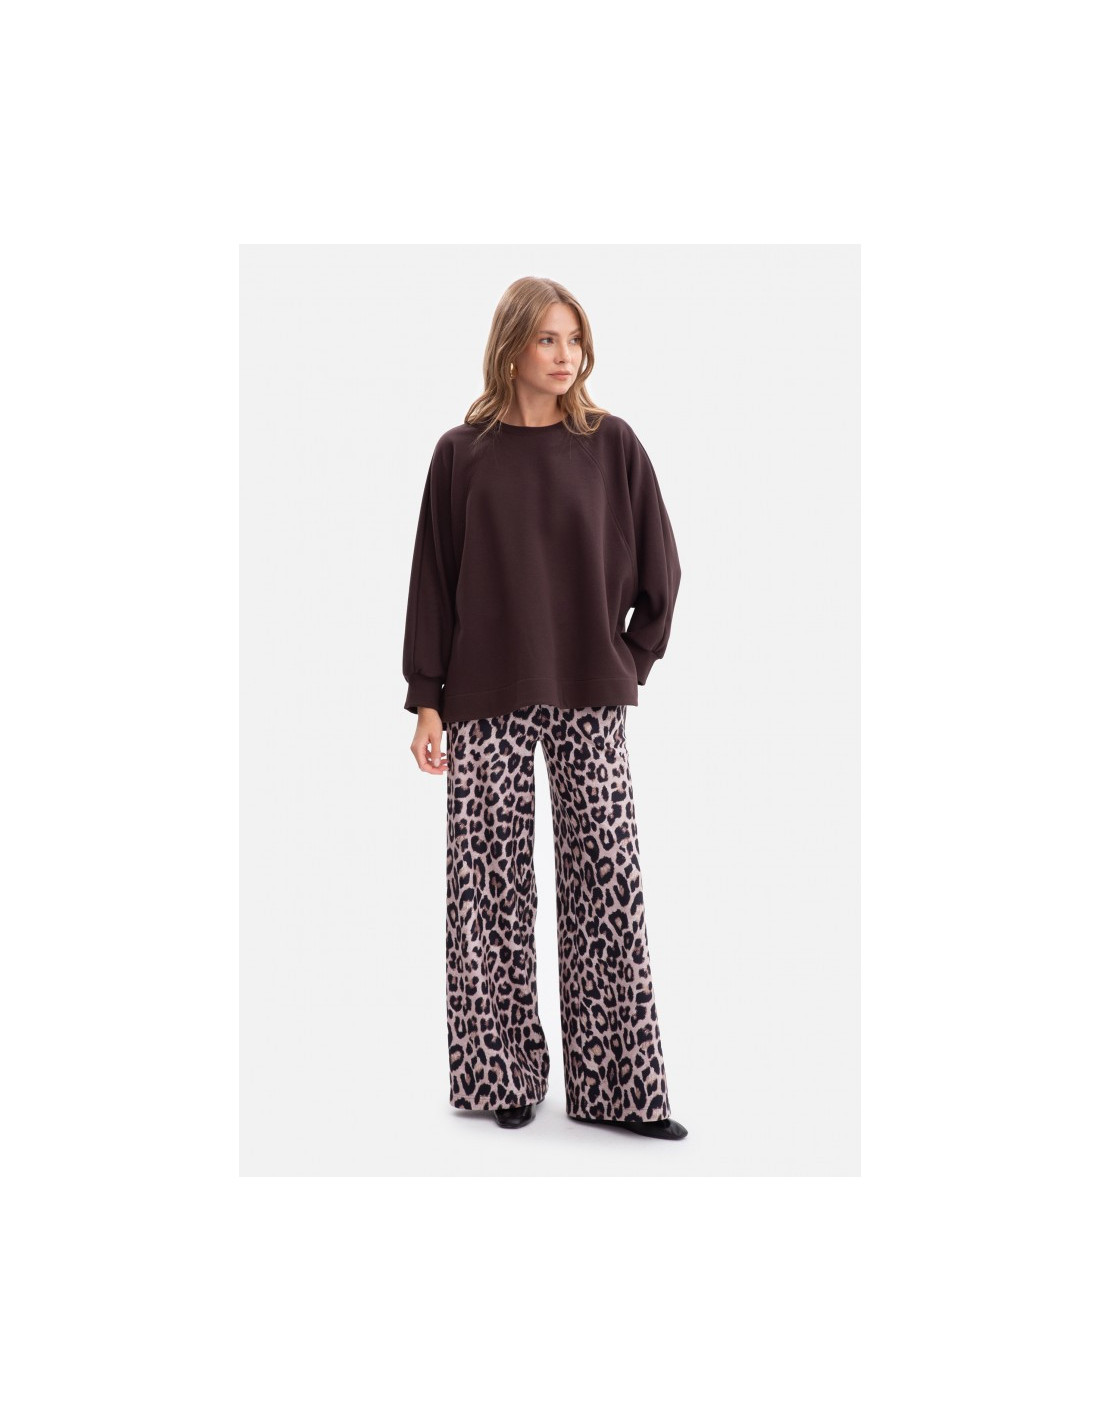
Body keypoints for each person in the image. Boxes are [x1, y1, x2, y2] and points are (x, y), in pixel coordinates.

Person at [401, 276, 687, 1141]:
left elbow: (663, 571)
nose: (567, 356)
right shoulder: (462, 454)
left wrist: (628, 660)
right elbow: (433, 581)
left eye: (575, 339)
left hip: (590, 695)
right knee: (487, 892)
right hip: (482, 698)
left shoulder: (613, 445)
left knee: (607, 884)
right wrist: (427, 700)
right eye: (549, 340)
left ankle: (621, 1090)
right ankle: (502, 1078)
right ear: (512, 346)